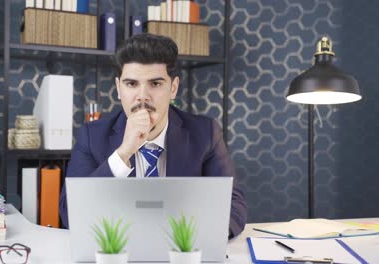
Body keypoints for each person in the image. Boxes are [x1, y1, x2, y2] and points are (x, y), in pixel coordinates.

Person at [59, 33, 247, 238]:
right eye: (131, 84)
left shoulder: (206, 133)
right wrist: (123, 154)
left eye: (155, 84)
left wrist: (188, 240)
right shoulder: (91, 136)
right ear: (118, 88)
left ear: (173, 88)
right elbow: (71, 213)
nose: (142, 96)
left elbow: (233, 206)